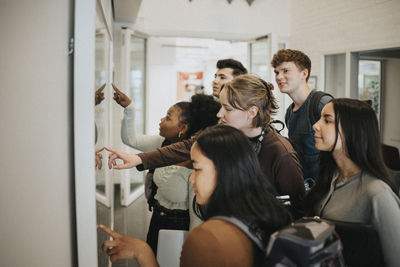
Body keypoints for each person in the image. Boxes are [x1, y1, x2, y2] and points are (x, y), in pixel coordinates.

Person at [99, 125, 292, 266]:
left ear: (225, 170)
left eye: (197, 169)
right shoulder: (262, 215)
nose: (192, 178)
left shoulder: (209, 238)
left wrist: (143, 253)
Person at [107, 74, 305, 211]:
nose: (219, 114)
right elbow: (187, 146)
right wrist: (138, 159)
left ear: (252, 112)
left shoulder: (281, 153)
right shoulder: (224, 133)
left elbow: (298, 207)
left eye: (227, 108)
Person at [112, 83, 221, 254]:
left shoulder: (196, 162)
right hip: (157, 218)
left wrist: (193, 251)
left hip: (179, 226)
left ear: (183, 128)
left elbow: (196, 217)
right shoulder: (163, 144)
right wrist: (129, 108)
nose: (162, 120)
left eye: (168, 118)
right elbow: (130, 139)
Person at [304, 98, 400, 266]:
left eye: (327, 120)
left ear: (352, 130)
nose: (316, 125)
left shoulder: (377, 192)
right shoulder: (331, 177)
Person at [271, 49, 333, 186]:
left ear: (304, 73)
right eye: (276, 72)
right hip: (306, 187)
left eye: (285, 71)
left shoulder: (321, 103)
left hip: (326, 187)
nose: (279, 77)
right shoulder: (289, 112)